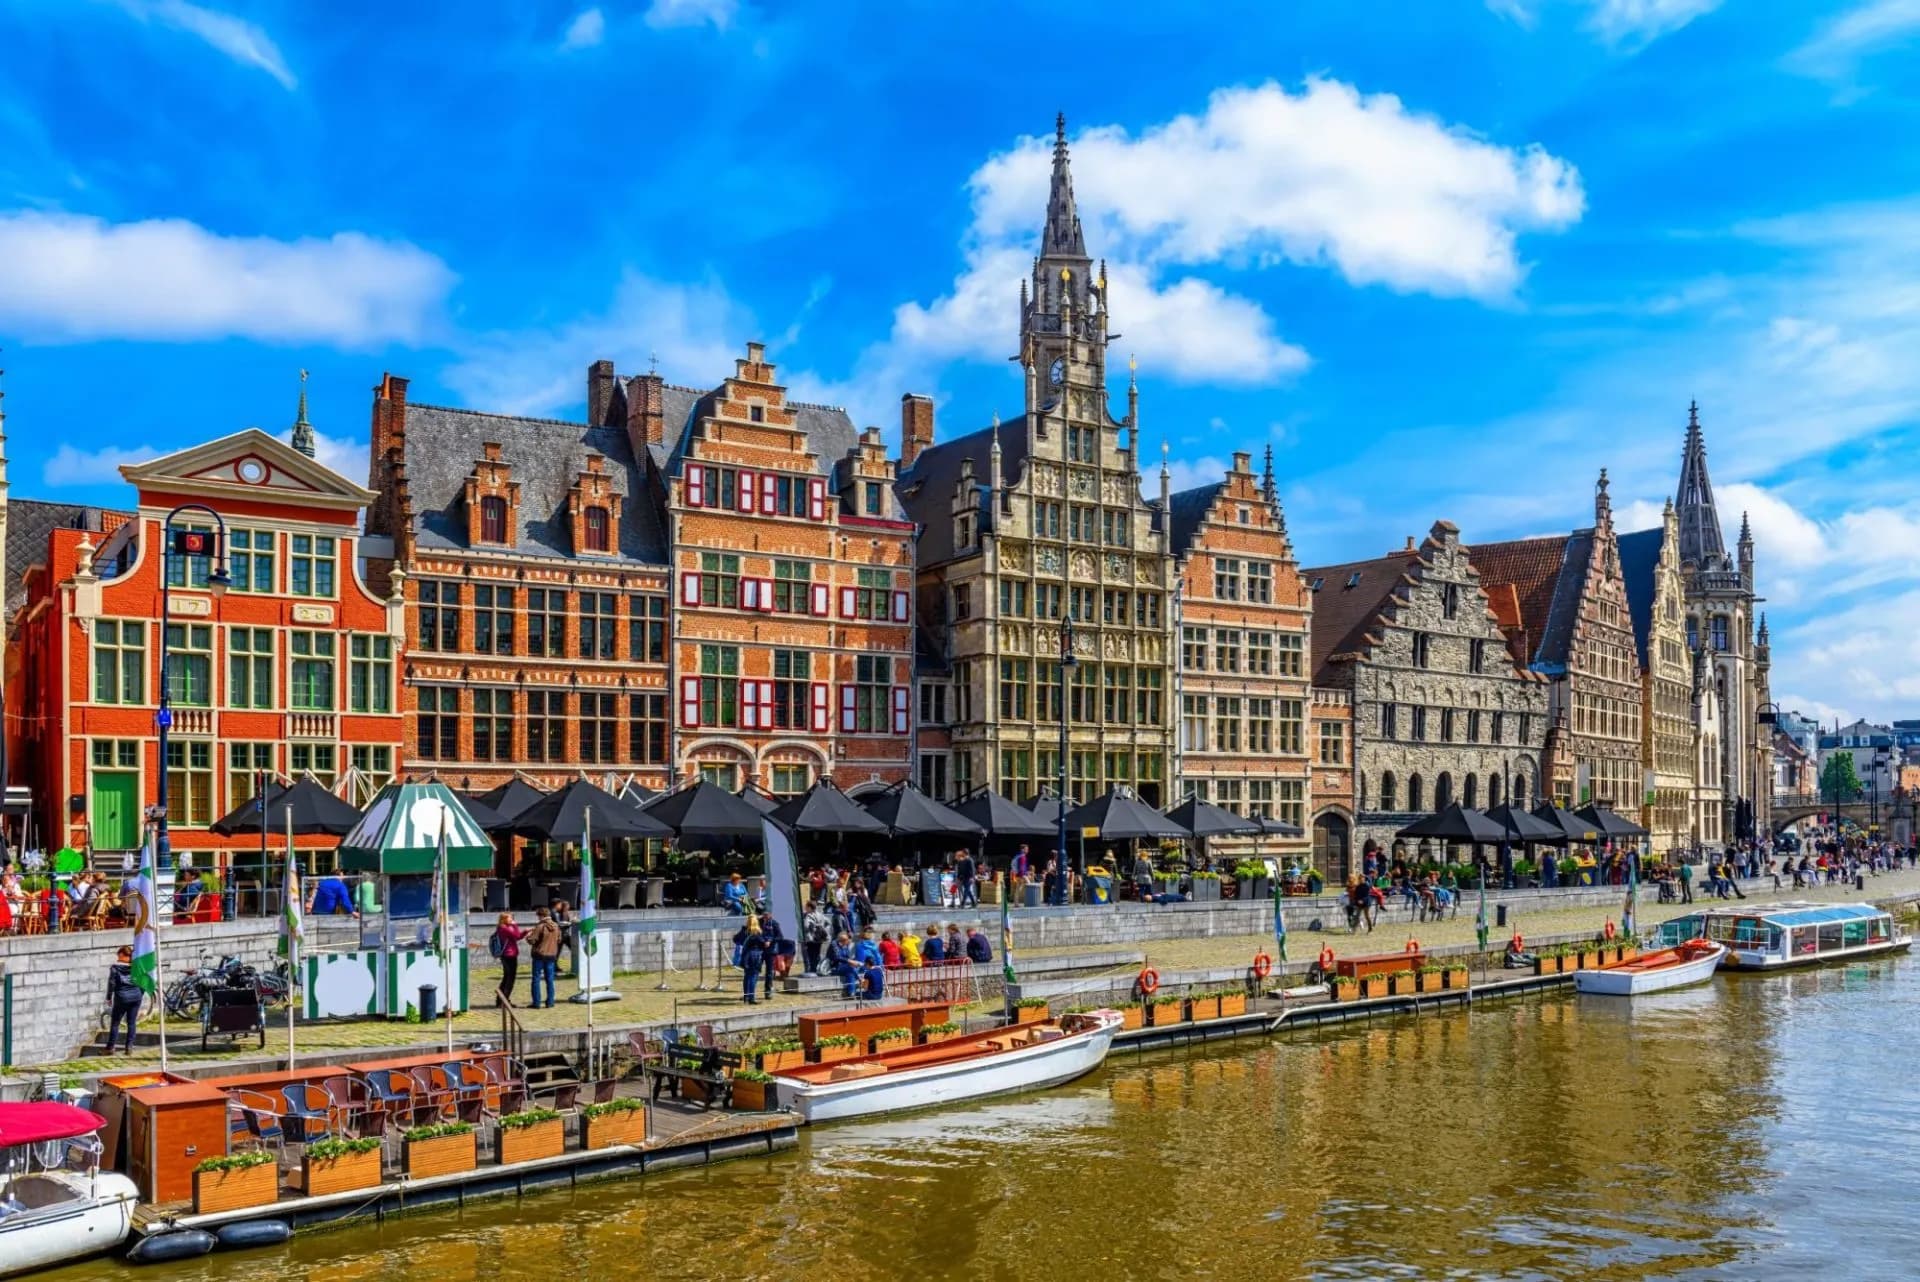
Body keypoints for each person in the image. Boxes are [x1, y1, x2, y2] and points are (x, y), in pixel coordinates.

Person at [105, 945, 143, 1054]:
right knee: (131, 1023)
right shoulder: (136, 966)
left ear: (122, 954)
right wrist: (139, 994)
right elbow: (142, 981)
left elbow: (111, 983)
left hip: (122, 998)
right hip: (136, 997)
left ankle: (110, 1048)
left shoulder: (115, 967)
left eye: (118, 954)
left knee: (115, 1023)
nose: (117, 956)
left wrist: (109, 997)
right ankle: (129, 1047)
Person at [525, 908, 562, 1009]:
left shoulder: (540, 926)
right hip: (551, 955)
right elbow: (559, 940)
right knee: (550, 980)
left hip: (539, 955)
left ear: (540, 916)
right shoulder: (556, 926)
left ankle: (536, 1003)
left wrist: (528, 936)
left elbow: (532, 940)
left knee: (536, 979)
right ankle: (550, 1002)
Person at [491, 913, 525, 1007]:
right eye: (510, 918)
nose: (512, 919)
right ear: (504, 919)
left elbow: (515, 937)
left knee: (506, 977)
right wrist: (515, 925)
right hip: (509, 955)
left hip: (508, 954)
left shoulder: (503, 928)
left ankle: (500, 1000)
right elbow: (517, 935)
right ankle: (504, 1001)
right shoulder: (504, 928)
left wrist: (525, 932)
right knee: (510, 979)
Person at [734, 916, 769, 1004]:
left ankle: (746, 997)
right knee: (753, 977)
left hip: (745, 956)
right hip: (755, 955)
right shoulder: (757, 932)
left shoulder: (744, 931)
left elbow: (735, 939)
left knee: (746, 976)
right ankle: (751, 998)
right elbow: (764, 944)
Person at [803, 900, 832, 976]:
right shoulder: (821, 914)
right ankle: (816, 969)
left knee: (810, 955)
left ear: (809, 907)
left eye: (806, 907)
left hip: (811, 939)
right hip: (820, 938)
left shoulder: (808, 915)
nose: (805, 908)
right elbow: (829, 922)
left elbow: (806, 926)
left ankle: (812, 971)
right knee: (817, 954)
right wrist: (825, 929)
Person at [829, 932, 858, 999]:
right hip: (834, 967)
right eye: (847, 940)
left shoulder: (845, 945)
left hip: (844, 967)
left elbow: (847, 957)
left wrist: (853, 961)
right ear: (843, 940)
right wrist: (849, 961)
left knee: (851, 971)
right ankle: (854, 989)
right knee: (850, 968)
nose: (848, 942)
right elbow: (837, 957)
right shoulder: (834, 944)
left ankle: (851, 992)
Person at [552, 899, 576, 974]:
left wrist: (572, 920)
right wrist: (570, 923)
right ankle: (554, 966)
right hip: (560, 935)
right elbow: (560, 924)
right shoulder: (559, 914)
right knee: (557, 952)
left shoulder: (567, 914)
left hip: (566, 935)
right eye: (567, 906)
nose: (568, 907)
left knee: (574, 948)